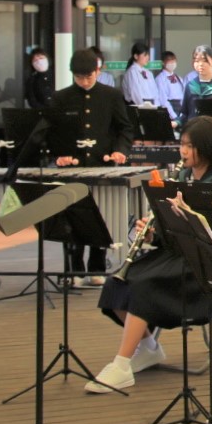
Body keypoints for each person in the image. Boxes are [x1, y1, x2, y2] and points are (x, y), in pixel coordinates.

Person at [87, 117, 212, 393]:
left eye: (189, 146)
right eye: (182, 144)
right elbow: (170, 235)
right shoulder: (181, 178)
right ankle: (147, 347)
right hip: (177, 256)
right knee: (118, 282)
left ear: (205, 147)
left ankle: (122, 364)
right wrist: (152, 234)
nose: (183, 151)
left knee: (144, 286)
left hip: (206, 268)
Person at [50, 47, 133, 284]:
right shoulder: (60, 98)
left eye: (89, 76)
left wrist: (120, 151)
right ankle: (73, 269)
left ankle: (97, 266)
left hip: (101, 165)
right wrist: (59, 155)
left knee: (100, 217)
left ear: (98, 71)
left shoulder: (111, 95)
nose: (85, 82)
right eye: (79, 77)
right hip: (72, 169)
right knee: (71, 219)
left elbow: (124, 128)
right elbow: (53, 133)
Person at [120, 40, 160, 113]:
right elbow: (135, 93)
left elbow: (155, 92)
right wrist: (145, 108)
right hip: (138, 107)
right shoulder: (131, 72)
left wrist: (156, 107)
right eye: (145, 55)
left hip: (151, 106)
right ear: (136, 56)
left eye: (148, 55)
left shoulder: (148, 73)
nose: (147, 57)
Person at [156, 50, 186, 120]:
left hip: (180, 109)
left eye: (174, 61)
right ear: (163, 63)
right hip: (169, 110)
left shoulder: (179, 78)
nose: (172, 63)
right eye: (170, 61)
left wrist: (182, 114)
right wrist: (173, 116)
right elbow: (163, 100)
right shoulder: (160, 79)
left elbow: (184, 96)